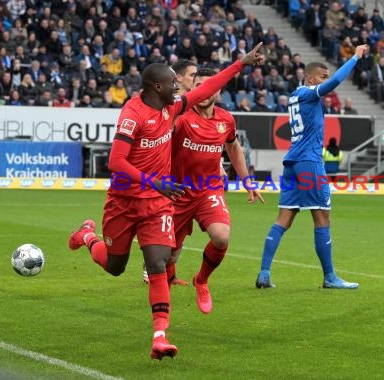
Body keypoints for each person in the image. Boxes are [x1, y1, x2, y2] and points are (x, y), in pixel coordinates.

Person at [67, 44, 264, 361]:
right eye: (175, 83)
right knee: (115, 267)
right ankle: (87, 236)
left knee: (158, 264)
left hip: (158, 200)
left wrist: (240, 64)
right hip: (125, 198)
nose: (182, 87)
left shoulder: (172, 108)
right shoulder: (132, 116)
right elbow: (116, 162)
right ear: (156, 87)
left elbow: (209, 88)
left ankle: (160, 336)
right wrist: (153, 180)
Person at [255, 44, 369, 290]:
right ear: (309, 78)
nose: (325, 81)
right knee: (322, 217)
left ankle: (264, 273)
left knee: (284, 218)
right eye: (321, 77)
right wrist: (355, 58)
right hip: (309, 161)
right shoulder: (308, 93)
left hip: (292, 162)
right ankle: (330, 277)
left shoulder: (295, 96)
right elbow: (336, 81)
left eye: (324, 78)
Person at [169, 67, 265, 314]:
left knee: (221, 236)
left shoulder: (226, 119)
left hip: (207, 191)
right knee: (167, 255)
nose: (203, 90)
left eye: (208, 85)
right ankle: (167, 280)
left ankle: (201, 280)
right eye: (198, 85)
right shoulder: (180, 117)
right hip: (177, 192)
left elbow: (233, 149)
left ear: (217, 89)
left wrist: (247, 180)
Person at [141, 58, 198, 287]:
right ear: (180, 77)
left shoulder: (190, 104)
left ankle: (169, 273)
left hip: (189, 175)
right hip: (166, 176)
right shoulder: (168, 105)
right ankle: (152, 268)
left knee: (181, 230)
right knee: (166, 225)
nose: (195, 79)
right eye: (192, 75)